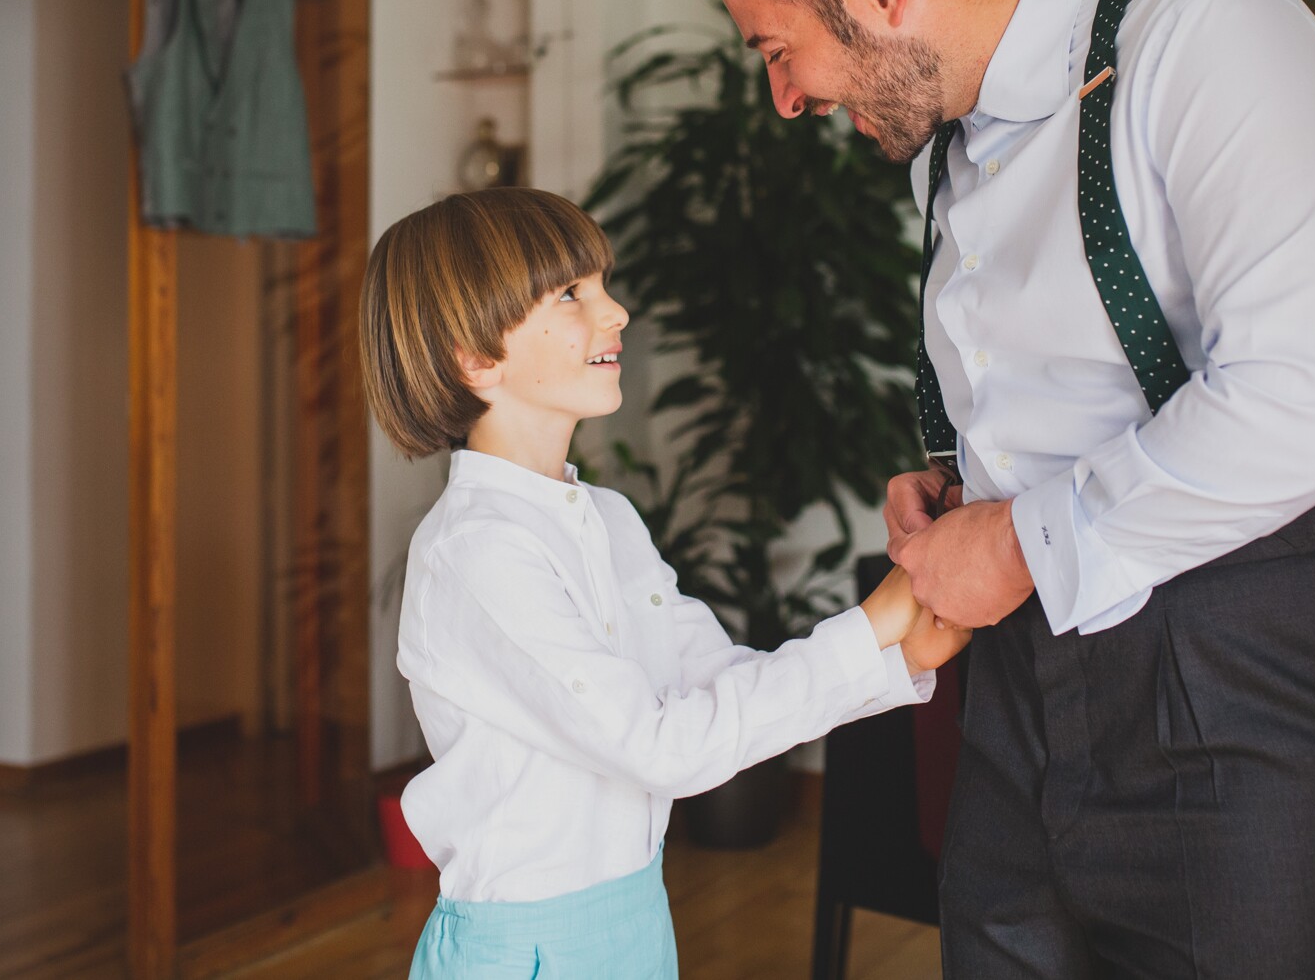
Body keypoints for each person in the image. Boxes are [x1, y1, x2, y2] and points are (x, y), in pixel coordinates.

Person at [681, 0, 1315, 978]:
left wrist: (1020, 544)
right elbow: (1076, 394)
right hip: (1025, 699)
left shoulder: (1205, 33)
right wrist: (966, 483)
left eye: (777, 49)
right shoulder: (943, 151)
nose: (784, 99)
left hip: (1263, 682)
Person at [360, 187, 970, 980]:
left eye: (603, 284)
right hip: (525, 953)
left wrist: (897, 654)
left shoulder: (609, 519)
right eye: (572, 294)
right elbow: (661, 747)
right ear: (473, 356)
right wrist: (871, 621)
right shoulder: (475, 553)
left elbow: (712, 686)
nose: (614, 312)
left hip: (639, 924)